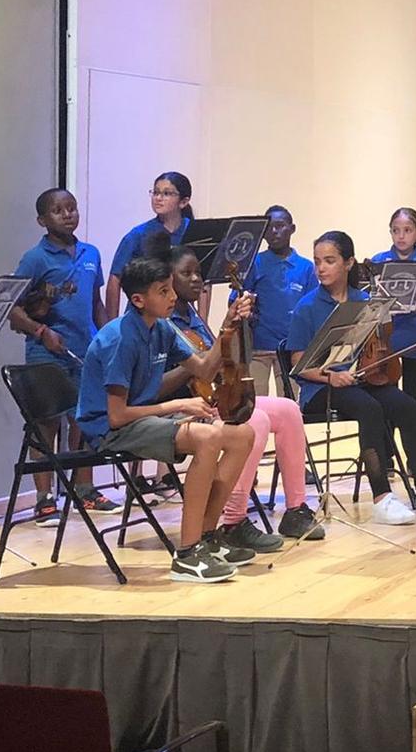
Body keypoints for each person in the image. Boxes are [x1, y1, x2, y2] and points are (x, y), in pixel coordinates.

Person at [74, 255, 256, 583]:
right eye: (164, 291)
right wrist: (179, 406)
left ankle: (207, 536)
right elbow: (116, 416)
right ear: (139, 300)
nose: (173, 297)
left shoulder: (162, 328)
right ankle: (187, 553)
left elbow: (204, 368)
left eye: (171, 290)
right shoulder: (119, 339)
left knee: (242, 434)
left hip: (140, 420)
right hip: (110, 430)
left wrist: (228, 324)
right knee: (207, 437)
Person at [166, 246, 321, 549]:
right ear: (168, 280)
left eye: (199, 272)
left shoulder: (194, 316)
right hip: (186, 404)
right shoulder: (165, 320)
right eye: (187, 274)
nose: (197, 279)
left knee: (288, 409)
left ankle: (296, 509)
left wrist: (236, 323)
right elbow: (186, 373)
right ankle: (233, 520)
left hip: (210, 397)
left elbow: (222, 358)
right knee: (255, 418)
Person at [287, 232, 416, 524]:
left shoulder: (365, 301)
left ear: (348, 263)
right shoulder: (307, 306)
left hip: (359, 380)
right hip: (319, 388)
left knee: (407, 406)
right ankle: (382, 497)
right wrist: (330, 377)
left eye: (330, 261)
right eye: (318, 261)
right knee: (369, 409)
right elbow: (298, 365)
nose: (321, 268)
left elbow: (377, 344)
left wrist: (382, 316)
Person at [8, 187, 118, 523]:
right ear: (43, 220)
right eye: (59, 210)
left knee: (83, 421)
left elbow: (96, 304)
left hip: (84, 352)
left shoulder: (91, 253)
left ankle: (83, 490)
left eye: (72, 208)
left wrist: (106, 338)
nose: (68, 214)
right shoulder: (34, 258)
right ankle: (44, 498)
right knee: (45, 425)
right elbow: (12, 309)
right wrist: (41, 331)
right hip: (47, 353)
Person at [373, 207, 416, 429]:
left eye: (407, 230)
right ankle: (388, 454)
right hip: (386, 341)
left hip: (415, 337)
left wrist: (406, 306)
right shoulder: (380, 259)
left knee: (412, 393)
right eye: (395, 230)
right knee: (388, 394)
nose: (401, 236)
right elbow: (372, 297)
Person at [244, 205, 315, 397]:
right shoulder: (253, 263)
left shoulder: (307, 268)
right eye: (269, 227)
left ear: (292, 229)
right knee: (256, 404)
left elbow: (312, 308)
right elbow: (238, 299)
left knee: (290, 402)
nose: (274, 231)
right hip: (259, 347)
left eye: (280, 226)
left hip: (292, 349)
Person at [106, 171, 194, 317]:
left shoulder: (194, 231)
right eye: (155, 193)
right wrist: (112, 323)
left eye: (166, 194)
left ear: (183, 201)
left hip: (182, 316)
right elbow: (115, 279)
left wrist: (203, 320)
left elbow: (204, 281)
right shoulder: (138, 234)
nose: (158, 198)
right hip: (145, 314)